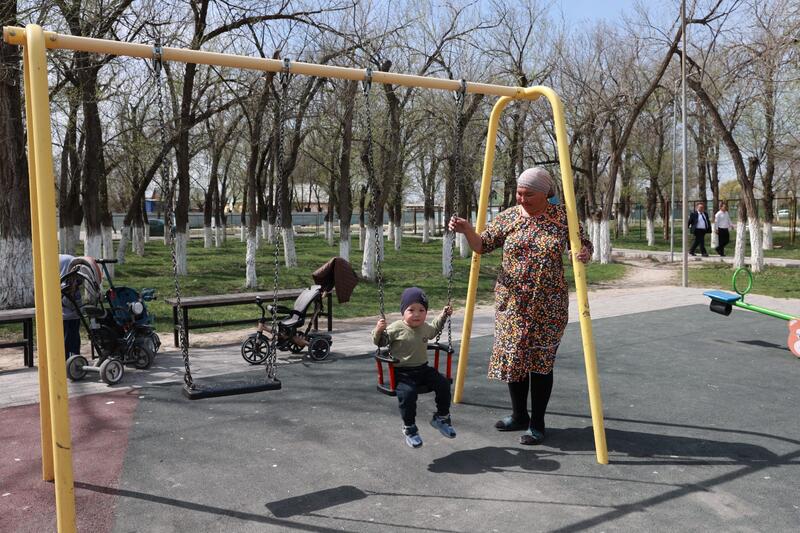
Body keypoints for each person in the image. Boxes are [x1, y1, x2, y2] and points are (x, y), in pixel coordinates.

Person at [448, 167, 592, 445]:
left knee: (540, 363)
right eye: (519, 193)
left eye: (528, 194)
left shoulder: (563, 217)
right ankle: (519, 415)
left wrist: (584, 253)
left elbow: (584, 245)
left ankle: (537, 424)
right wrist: (467, 230)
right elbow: (482, 245)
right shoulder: (509, 217)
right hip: (512, 305)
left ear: (545, 194)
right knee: (514, 358)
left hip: (549, 305)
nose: (522, 199)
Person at [373, 287, 455, 448]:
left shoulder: (424, 327)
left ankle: (442, 418)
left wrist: (444, 315)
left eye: (421, 310)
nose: (417, 314)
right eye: (411, 310)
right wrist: (379, 330)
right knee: (408, 395)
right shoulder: (396, 328)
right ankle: (410, 428)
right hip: (402, 373)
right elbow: (380, 342)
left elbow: (435, 329)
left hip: (423, 369)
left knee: (443, 384)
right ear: (403, 312)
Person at [59, 254, 82, 359]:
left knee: (67, 340)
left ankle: (70, 359)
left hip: (67, 316)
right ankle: (73, 359)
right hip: (70, 316)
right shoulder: (69, 285)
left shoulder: (66, 284)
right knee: (71, 341)